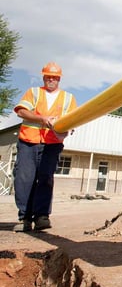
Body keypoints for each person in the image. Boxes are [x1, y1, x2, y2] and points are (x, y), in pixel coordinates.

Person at [12, 62, 77, 232]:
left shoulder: (68, 98)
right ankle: (25, 217)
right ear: (43, 77)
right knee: (24, 179)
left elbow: (73, 120)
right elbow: (21, 111)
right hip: (29, 141)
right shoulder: (34, 93)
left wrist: (67, 129)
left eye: (54, 77)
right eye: (48, 76)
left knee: (46, 178)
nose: (51, 80)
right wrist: (42, 119)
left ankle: (41, 217)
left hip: (52, 144)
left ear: (59, 79)